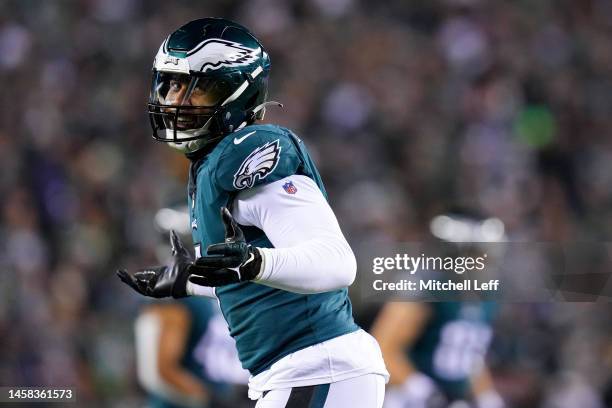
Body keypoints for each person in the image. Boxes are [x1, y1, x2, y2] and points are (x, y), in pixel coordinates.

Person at [117, 17, 388, 408]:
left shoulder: (249, 152)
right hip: (301, 371)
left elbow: (338, 263)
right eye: (172, 84)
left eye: (195, 88)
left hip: (318, 367)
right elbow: (255, 276)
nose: (174, 100)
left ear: (234, 93)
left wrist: (253, 262)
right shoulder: (211, 165)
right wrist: (189, 281)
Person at [371, 211, 505, 408]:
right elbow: (382, 348)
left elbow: (468, 353)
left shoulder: (484, 295)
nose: (485, 263)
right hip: (409, 400)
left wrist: (487, 395)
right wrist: (418, 387)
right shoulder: (427, 286)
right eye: (479, 254)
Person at [135, 297, 250, 408]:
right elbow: (163, 370)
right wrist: (210, 400)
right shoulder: (181, 299)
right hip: (179, 403)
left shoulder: (223, 292)